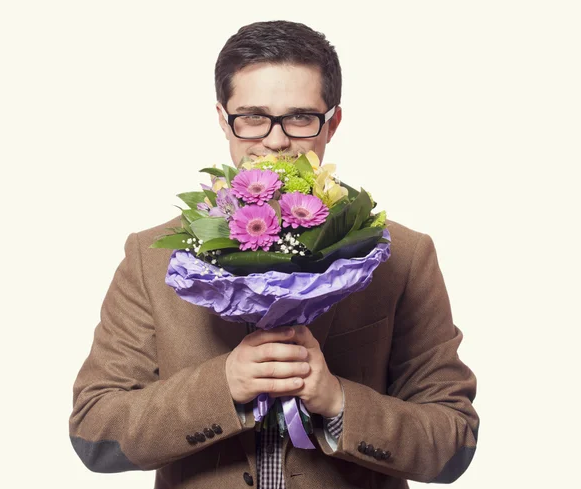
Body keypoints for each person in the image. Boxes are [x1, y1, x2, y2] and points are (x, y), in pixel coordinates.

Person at [69, 20, 479, 489]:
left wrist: (340, 402)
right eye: (253, 116)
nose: (276, 140)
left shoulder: (403, 256)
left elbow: (454, 442)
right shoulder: (150, 256)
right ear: (224, 119)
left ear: (333, 123)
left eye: (301, 117)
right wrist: (222, 387)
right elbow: (95, 433)